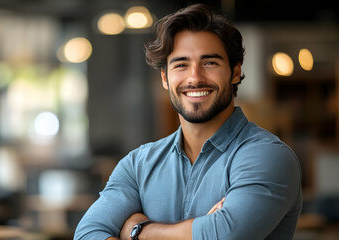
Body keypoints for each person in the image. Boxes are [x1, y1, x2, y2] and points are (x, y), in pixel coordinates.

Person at [74, 3, 302, 240]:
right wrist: (201, 229)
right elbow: (87, 234)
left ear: (234, 72)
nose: (195, 77)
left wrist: (138, 231)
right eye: (181, 65)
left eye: (209, 63)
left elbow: (224, 235)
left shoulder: (267, 156)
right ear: (165, 77)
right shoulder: (137, 165)